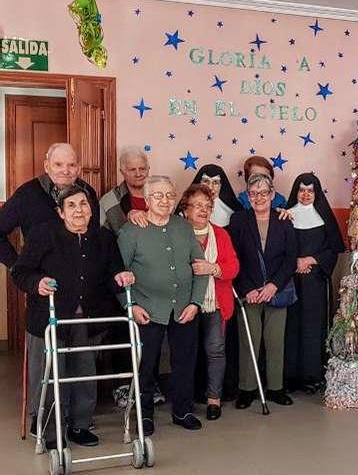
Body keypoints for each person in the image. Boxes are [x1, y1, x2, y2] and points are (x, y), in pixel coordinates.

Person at [12, 186, 134, 448]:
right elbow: (20, 272)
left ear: (91, 210)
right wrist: (38, 282)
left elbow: (113, 273)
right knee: (50, 373)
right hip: (49, 317)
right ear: (61, 211)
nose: (79, 210)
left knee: (84, 373)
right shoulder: (44, 234)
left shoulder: (103, 238)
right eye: (71, 205)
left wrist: (121, 277)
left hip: (88, 318)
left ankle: (80, 425)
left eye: (83, 204)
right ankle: (47, 426)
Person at [117, 176, 209, 435]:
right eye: (158, 195)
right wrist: (130, 305)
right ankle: (144, 415)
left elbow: (200, 268)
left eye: (169, 195)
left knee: (185, 363)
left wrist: (196, 302)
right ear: (146, 200)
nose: (164, 200)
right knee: (146, 365)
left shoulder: (183, 227)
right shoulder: (130, 231)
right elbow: (118, 274)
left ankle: (183, 410)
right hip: (146, 309)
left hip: (184, 308)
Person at [227, 174, 299, 408]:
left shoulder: (284, 220)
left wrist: (273, 286)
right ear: (248, 196)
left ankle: (276, 388)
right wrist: (247, 289)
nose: (259, 197)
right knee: (249, 341)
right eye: (253, 193)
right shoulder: (238, 220)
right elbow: (234, 257)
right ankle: (247, 389)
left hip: (277, 290)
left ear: (272, 194)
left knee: (275, 342)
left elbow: (290, 260)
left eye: (263, 193)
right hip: (249, 293)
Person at [179, 184, 240, 420]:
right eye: (198, 205)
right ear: (186, 209)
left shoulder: (221, 234)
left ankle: (214, 399)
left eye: (208, 206)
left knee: (215, 350)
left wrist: (212, 268)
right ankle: (186, 398)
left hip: (215, 302)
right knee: (186, 351)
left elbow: (233, 267)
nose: (204, 210)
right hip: (185, 303)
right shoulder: (177, 232)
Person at [283, 173, 345, 394]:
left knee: (313, 327)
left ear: (316, 193)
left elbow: (333, 250)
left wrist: (311, 259)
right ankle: (289, 375)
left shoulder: (324, 218)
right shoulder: (286, 216)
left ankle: (312, 375)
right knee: (290, 327)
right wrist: (295, 263)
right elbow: (277, 249)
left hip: (315, 283)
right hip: (289, 281)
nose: (306, 194)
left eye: (310, 190)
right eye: (301, 190)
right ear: (295, 192)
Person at [0, 143, 99, 268]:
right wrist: (17, 267)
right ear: (47, 166)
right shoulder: (26, 194)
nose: (65, 171)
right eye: (58, 164)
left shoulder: (88, 192)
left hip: (83, 277)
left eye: (71, 165)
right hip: (41, 281)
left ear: (78, 168)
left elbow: (95, 235)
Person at [99, 146, 150, 234]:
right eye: (132, 170)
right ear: (122, 172)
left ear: (148, 169)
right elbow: (101, 236)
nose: (138, 174)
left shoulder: (160, 196)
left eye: (142, 169)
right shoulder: (108, 201)